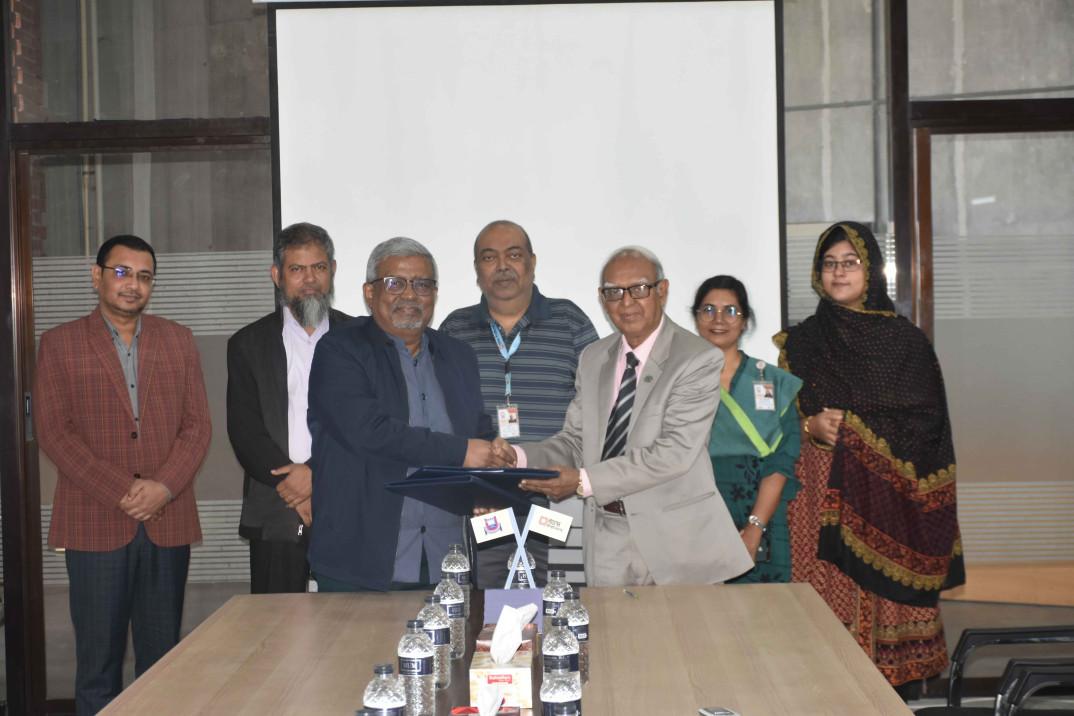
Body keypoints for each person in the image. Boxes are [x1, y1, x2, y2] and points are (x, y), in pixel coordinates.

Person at [776, 221, 964, 690]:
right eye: (830, 263)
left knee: (881, 656)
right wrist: (809, 425)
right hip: (817, 498)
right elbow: (779, 421)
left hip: (886, 504)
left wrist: (858, 432)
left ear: (872, 270)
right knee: (814, 644)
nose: (839, 272)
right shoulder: (800, 343)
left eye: (851, 262)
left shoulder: (905, 342)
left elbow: (927, 424)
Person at [33, 235, 211, 714]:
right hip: (94, 524)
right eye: (122, 272)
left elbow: (197, 428)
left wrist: (163, 488)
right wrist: (125, 491)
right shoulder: (59, 343)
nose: (133, 284)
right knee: (98, 666)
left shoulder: (178, 339)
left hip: (166, 523)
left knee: (162, 662)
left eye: (144, 276)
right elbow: (55, 433)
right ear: (97, 276)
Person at [517, 247, 751, 586]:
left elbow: (673, 454)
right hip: (606, 535)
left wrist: (582, 481)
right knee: (614, 638)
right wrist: (521, 457)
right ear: (602, 298)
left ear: (662, 291)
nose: (626, 302)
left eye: (639, 289)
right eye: (613, 292)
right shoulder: (593, 357)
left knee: (681, 640)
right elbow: (575, 440)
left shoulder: (697, 358)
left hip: (675, 539)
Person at [306, 237, 513, 591]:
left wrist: (493, 466)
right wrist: (463, 452)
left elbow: (476, 429)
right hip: (362, 562)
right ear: (369, 293)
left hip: (445, 560)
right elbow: (370, 432)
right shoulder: (340, 350)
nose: (409, 295)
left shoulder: (458, 355)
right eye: (395, 283)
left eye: (422, 284)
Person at [440, 220, 598, 588]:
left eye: (514, 255)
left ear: (532, 262)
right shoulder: (454, 329)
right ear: (477, 269)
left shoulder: (569, 320)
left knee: (562, 603)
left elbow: (599, 401)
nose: (502, 265)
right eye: (489, 257)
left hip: (558, 494)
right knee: (496, 609)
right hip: (486, 498)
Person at [227, 222, 351, 594]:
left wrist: (316, 474)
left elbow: (369, 425)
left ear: (332, 271)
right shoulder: (247, 344)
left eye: (319, 267)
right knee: (277, 635)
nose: (309, 279)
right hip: (276, 508)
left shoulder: (362, 339)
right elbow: (244, 431)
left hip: (347, 503)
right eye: (297, 269)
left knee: (349, 626)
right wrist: (294, 481)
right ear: (277, 276)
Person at [692, 275, 801, 583]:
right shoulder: (678, 383)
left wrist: (754, 528)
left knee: (762, 620)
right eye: (708, 310)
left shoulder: (774, 382)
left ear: (745, 321)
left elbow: (782, 460)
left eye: (730, 311)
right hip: (697, 514)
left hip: (763, 515)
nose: (718, 320)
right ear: (696, 318)